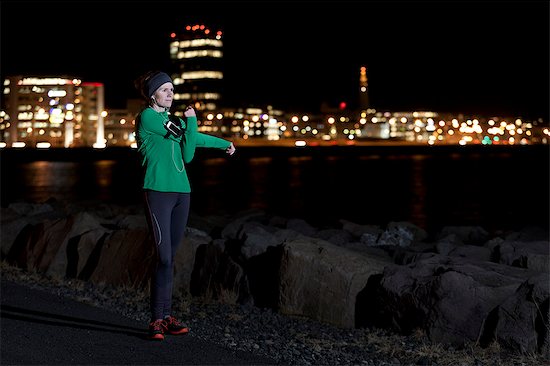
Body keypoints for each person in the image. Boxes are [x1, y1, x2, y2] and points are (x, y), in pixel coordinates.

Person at [133, 70, 236, 341]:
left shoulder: (175, 121)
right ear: (153, 94)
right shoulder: (148, 118)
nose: (171, 94)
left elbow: (193, 142)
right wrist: (193, 122)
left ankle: (166, 317)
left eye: (172, 90)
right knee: (163, 257)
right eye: (165, 90)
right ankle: (156, 319)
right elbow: (189, 151)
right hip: (157, 191)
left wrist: (224, 144)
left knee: (170, 258)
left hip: (182, 194)